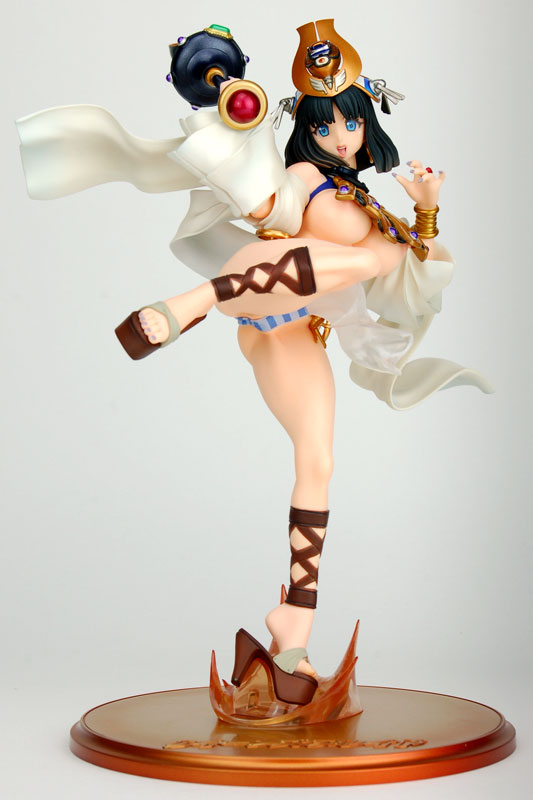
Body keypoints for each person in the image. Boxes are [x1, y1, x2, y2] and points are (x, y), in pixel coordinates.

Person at [17, 19, 492, 708]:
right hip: (255, 285)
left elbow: (407, 267)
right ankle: (185, 306)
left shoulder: (364, 197)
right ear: (306, 129)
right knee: (362, 258)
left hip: (295, 332)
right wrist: (234, 129)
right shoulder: (302, 175)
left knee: (317, 462)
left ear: (367, 122)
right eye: (325, 125)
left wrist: (426, 210)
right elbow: (271, 206)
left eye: (350, 123)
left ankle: (292, 629)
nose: (340, 137)